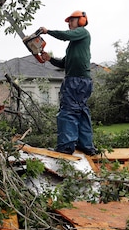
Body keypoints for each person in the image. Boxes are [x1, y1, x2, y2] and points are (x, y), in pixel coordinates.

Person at [38, 10, 98, 156]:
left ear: (81, 20)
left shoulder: (82, 32)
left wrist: (48, 31)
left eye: (72, 20)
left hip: (76, 81)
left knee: (68, 112)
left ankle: (66, 146)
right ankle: (86, 146)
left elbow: (65, 35)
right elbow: (64, 63)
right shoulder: (74, 44)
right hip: (81, 81)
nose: (69, 23)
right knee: (81, 111)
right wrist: (49, 59)